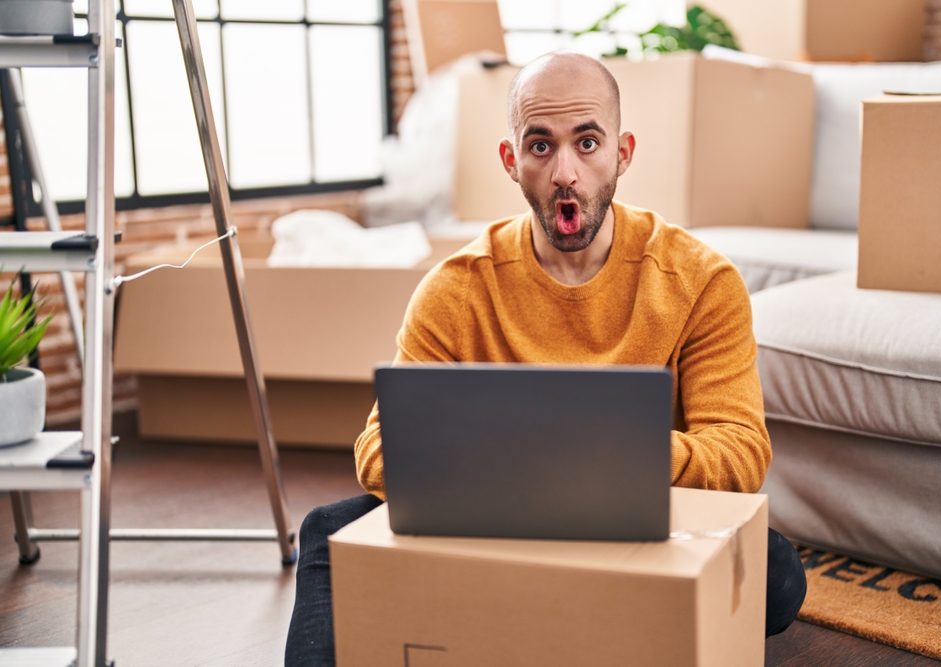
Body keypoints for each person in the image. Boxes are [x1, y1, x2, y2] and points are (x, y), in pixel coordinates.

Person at [285, 51, 806, 667]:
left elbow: (742, 451)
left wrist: (611, 456)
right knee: (328, 532)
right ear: (511, 160)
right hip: (487, 516)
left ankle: (522, 626)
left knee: (774, 571)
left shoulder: (701, 281)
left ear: (623, 153)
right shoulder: (456, 287)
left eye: (588, 143)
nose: (566, 172)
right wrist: (524, 462)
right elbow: (376, 451)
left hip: (638, 516)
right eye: (540, 146)